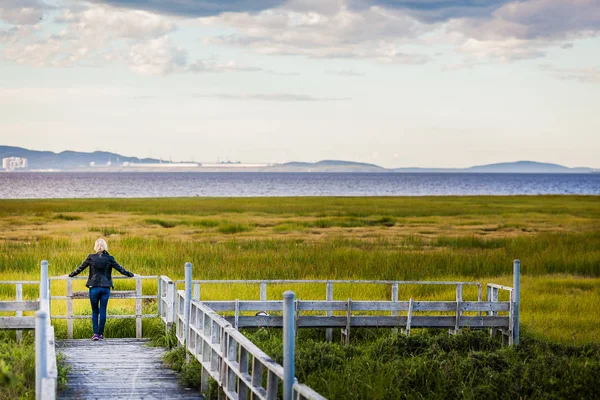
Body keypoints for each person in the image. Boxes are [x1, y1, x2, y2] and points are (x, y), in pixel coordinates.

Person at [68, 238, 135, 341]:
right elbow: (121, 269)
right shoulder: (110, 258)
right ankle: (100, 334)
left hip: (94, 288)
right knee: (103, 310)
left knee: (95, 311)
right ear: (105, 247)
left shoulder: (91, 257)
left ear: (95, 246)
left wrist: (70, 275)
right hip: (105, 288)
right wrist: (132, 275)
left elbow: (80, 269)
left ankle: (95, 334)